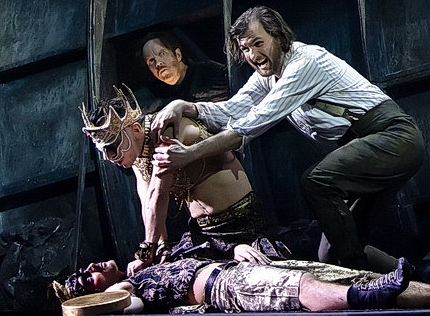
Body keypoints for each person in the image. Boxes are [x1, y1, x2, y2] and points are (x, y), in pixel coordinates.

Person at [150, 5, 425, 273]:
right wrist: (184, 106)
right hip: (362, 145)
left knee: (317, 182)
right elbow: (232, 110)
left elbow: (250, 126)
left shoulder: (304, 63)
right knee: (333, 251)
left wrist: (191, 153)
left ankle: (359, 281)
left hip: (392, 137)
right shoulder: (268, 76)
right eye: (245, 48)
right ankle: (419, 279)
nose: (252, 55)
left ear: (278, 36)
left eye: (258, 43)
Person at [81, 85, 291, 275]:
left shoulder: (165, 131)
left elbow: (157, 194)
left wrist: (146, 252)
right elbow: (147, 202)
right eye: (104, 151)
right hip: (205, 235)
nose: (110, 157)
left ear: (136, 130)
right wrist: (161, 245)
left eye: (112, 147)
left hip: (241, 226)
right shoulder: (138, 152)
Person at [51, 244, 430, 313]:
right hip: (226, 288)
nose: (93, 270)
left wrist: (235, 249)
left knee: (355, 274)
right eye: (87, 280)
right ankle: (367, 299)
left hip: (238, 267)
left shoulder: (146, 264)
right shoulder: (123, 290)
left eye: (88, 268)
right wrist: (111, 300)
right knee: (299, 289)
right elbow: (127, 306)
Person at [137, 31, 230, 112]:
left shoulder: (207, 71)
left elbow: (230, 87)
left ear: (178, 55)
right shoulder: (157, 91)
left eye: (162, 54)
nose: (158, 63)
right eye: (151, 61)